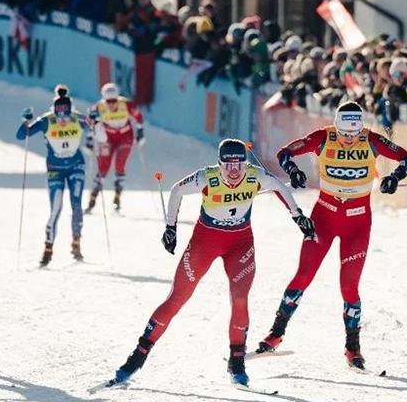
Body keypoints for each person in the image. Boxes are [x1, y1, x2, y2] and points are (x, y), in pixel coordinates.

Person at [110, 139, 315, 388]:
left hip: (240, 243)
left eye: (238, 163)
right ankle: (137, 357)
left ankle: (237, 362)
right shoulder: (207, 177)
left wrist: (298, 216)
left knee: (240, 300)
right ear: (218, 164)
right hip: (205, 241)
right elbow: (176, 190)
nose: (233, 170)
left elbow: (280, 188)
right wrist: (171, 228)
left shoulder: (255, 175)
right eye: (227, 165)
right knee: (176, 299)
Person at [256, 101, 407, 370]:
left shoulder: (372, 140)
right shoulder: (323, 137)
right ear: (336, 127)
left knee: (349, 286)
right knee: (303, 275)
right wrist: (294, 172)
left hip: (357, 222)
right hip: (324, 219)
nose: (348, 141)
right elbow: (285, 153)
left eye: (354, 135)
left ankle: (353, 348)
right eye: (344, 134)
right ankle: (275, 334)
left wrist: (394, 178)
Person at [17, 84, 87, 266]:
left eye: (66, 113)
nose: (62, 118)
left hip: (76, 166)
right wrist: (26, 122)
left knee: (76, 204)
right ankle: (48, 248)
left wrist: (95, 121)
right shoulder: (47, 120)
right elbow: (21, 135)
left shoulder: (78, 119)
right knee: (56, 208)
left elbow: (100, 135)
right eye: (58, 113)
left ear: (71, 110)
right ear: (54, 109)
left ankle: (76, 242)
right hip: (55, 168)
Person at [86, 82, 144, 212]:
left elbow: (139, 117)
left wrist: (140, 131)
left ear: (118, 98)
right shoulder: (98, 107)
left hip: (125, 136)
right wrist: (89, 138)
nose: (111, 104)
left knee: (119, 164)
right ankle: (93, 197)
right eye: (108, 101)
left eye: (114, 100)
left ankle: (117, 196)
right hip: (108, 137)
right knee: (103, 166)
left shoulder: (126, 104)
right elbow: (90, 123)